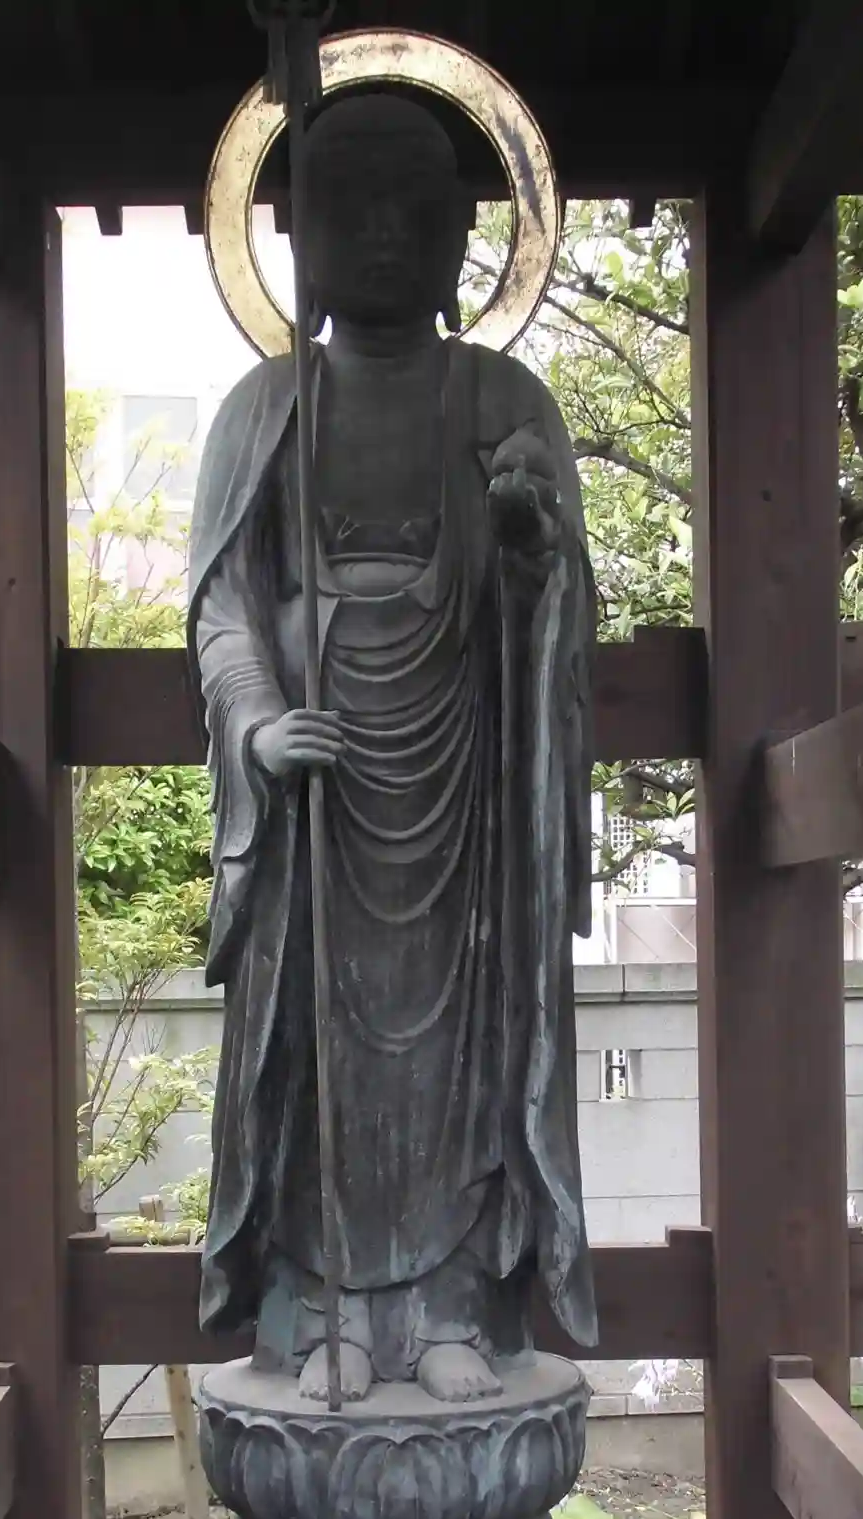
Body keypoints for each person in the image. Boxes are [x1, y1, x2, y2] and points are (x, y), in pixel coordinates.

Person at [187, 89, 597, 1402]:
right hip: (317, 792)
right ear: (295, 237)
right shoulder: (267, 406)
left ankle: (451, 1307)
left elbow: (555, 609)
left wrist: (529, 550)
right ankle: (321, 1312)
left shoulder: (503, 398)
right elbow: (223, 606)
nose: (379, 235)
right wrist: (259, 722)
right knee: (317, 1053)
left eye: (411, 211)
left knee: (457, 1057)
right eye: (345, 210)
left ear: (461, 235)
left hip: (463, 787)